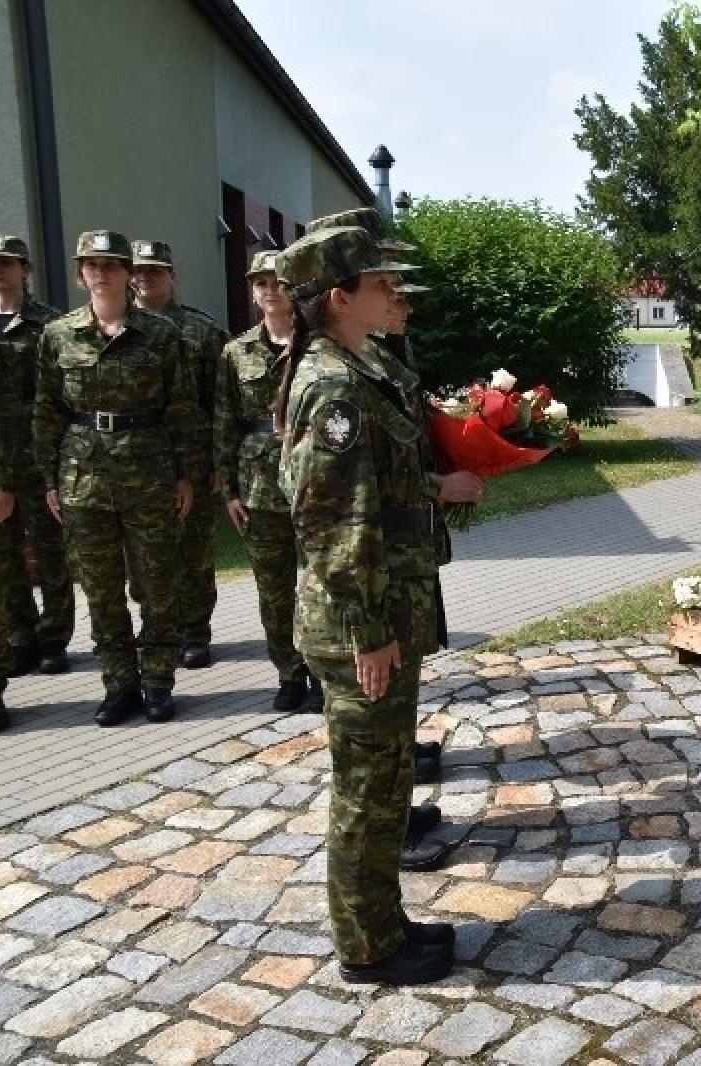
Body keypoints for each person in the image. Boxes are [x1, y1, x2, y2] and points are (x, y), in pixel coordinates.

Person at [275, 226, 481, 984]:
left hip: (383, 606)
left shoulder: (355, 367)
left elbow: (382, 487)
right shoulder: (333, 386)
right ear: (340, 297)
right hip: (359, 620)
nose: (395, 293)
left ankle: (383, 923)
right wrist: (368, 629)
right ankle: (367, 946)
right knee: (366, 788)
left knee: (387, 778)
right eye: (380, 283)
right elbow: (328, 520)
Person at [33, 231, 199, 726]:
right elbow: (47, 410)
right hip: (82, 477)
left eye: (110, 264)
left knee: (157, 584)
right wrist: (50, 480)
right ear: (80, 273)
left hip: (149, 472)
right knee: (101, 589)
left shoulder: (161, 334)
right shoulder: (58, 335)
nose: (101, 273)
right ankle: (118, 684)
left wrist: (187, 474)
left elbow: (182, 407)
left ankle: (158, 681)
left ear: (128, 272)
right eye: (92, 265)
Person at [214, 251, 321, 712]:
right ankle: (289, 674)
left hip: (315, 479)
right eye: (261, 283)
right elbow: (225, 423)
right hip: (259, 485)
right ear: (253, 292)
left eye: (279, 282)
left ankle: (324, 670)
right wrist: (229, 491)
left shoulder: (319, 343)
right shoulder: (236, 352)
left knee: (322, 581)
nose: (271, 290)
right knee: (273, 589)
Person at [131, 240, 228, 669]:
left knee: (194, 550)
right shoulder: (115, 329)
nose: (145, 278)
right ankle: (155, 627)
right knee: (144, 552)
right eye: (139, 271)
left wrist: (216, 461)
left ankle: (194, 631)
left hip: (194, 456)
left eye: (155, 270)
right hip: (135, 462)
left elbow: (221, 401)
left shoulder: (201, 330)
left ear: (172, 275)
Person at [0, 236, 72, 682]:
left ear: (25, 269)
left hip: (39, 455)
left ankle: (55, 638)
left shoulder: (50, 324)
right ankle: (20, 637)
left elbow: (61, 396)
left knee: (50, 551)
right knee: (5, 556)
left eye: (7, 263)